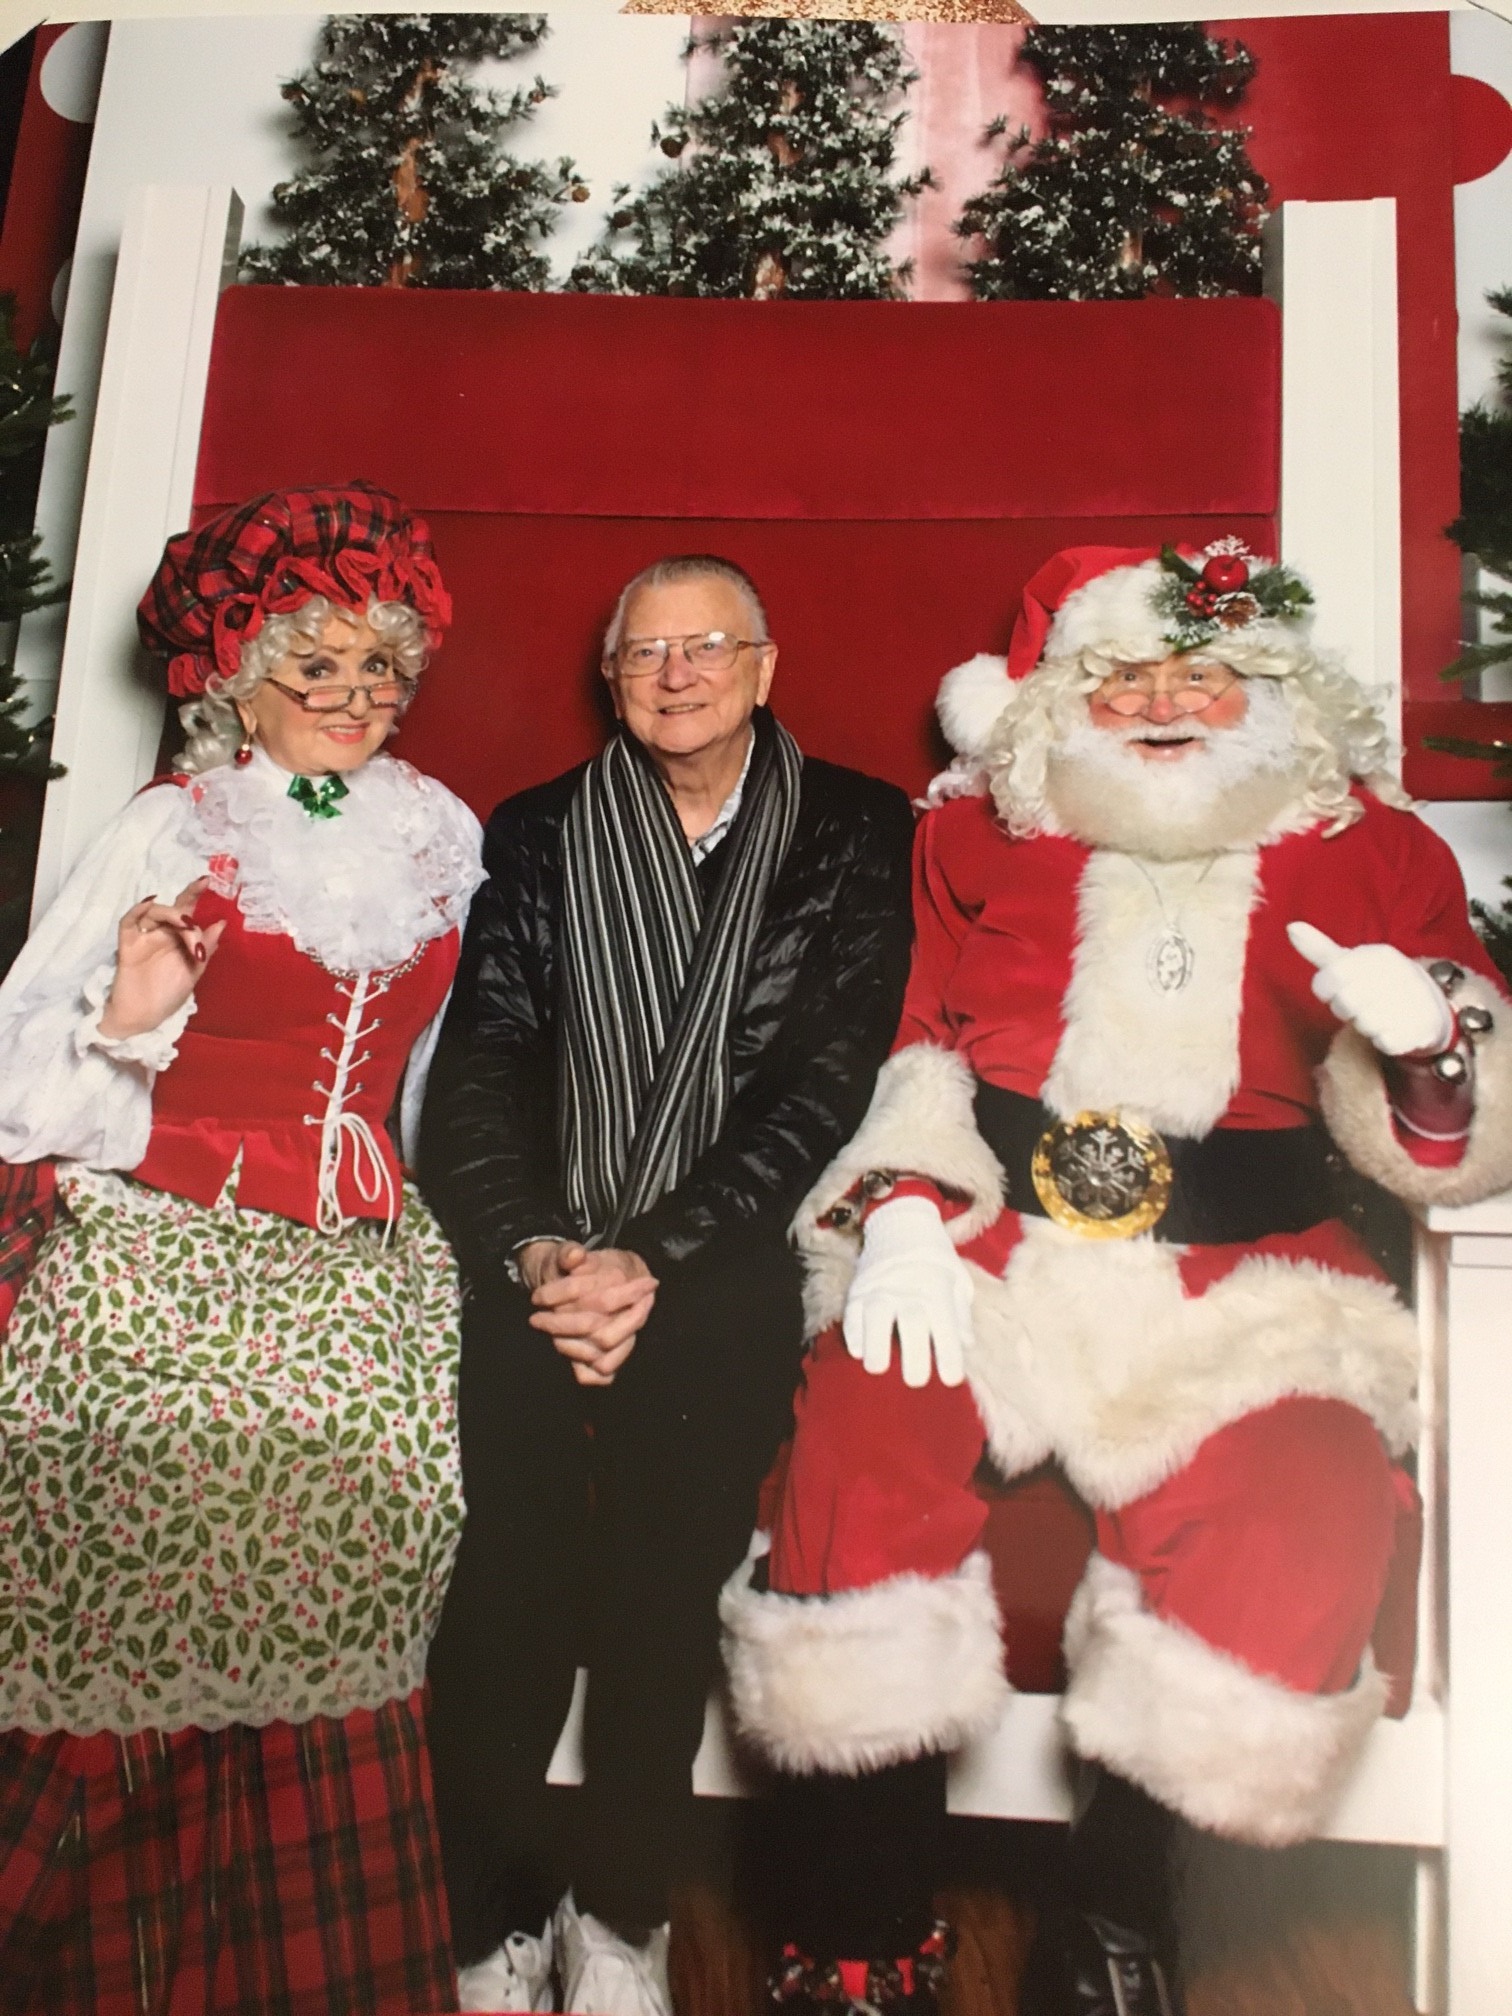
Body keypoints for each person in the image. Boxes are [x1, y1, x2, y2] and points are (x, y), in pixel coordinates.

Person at [719, 542, 1512, 2015]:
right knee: (859, 1448)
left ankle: (1119, 1919)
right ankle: (857, 1929)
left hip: (1250, 1277)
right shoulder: (972, 836)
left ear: (1273, 696)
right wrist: (896, 1207)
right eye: (1122, 677)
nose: (1161, 704)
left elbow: (1447, 1152)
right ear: (1052, 706)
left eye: (1200, 674)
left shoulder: (1379, 851)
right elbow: (907, 1043)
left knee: (1308, 1509)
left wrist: (1437, 1052)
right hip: (989, 1243)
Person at [0, 484, 483, 2014]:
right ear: (235, 677)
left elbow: (425, 1070)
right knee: (144, 1520)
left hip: (357, 1248)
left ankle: (269, 1967)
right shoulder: (172, 827)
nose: (356, 699)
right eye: (316, 667)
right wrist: (134, 1019)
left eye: (379, 668)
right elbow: (20, 1081)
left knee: (361, 1518)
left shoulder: (437, 827)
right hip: (165, 1218)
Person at [418, 553, 915, 2015]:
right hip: (540, 1257)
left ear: (764, 668)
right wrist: (534, 1249)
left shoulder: (855, 825)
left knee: (657, 1600)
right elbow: (484, 1062)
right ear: (611, 675)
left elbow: (826, 1080)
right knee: (504, 1593)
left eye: (709, 648)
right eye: (647, 652)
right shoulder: (543, 828)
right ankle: (490, 1920)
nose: (678, 674)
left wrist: (661, 1250)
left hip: (721, 1258)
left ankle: (622, 1919)